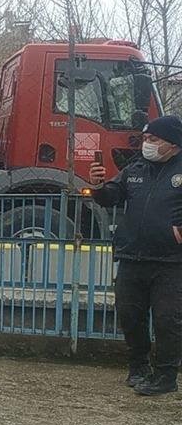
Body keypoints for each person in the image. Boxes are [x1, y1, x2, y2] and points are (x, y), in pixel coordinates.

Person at [89, 114, 182, 396]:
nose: (147, 144)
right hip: (132, 257)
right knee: (131, 315)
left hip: (171, 262)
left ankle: (165, 375)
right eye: (145, 139)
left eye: (153, 139)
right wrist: (98, 187)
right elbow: (112, 196)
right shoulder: (135, 168)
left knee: (168, 320)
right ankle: (138, 367)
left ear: (173, 143)